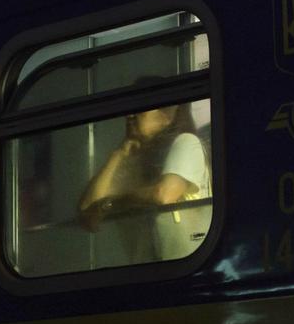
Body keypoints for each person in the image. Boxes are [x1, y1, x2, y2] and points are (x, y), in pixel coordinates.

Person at [78, 102, 211, 262]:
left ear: (167, 115)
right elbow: (88, 214)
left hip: (187, 265)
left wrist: (115, 202)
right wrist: (118, 155)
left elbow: (163, 195)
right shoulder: (134, 161)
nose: (129, 116)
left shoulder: (187, 142)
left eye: (140, 108)